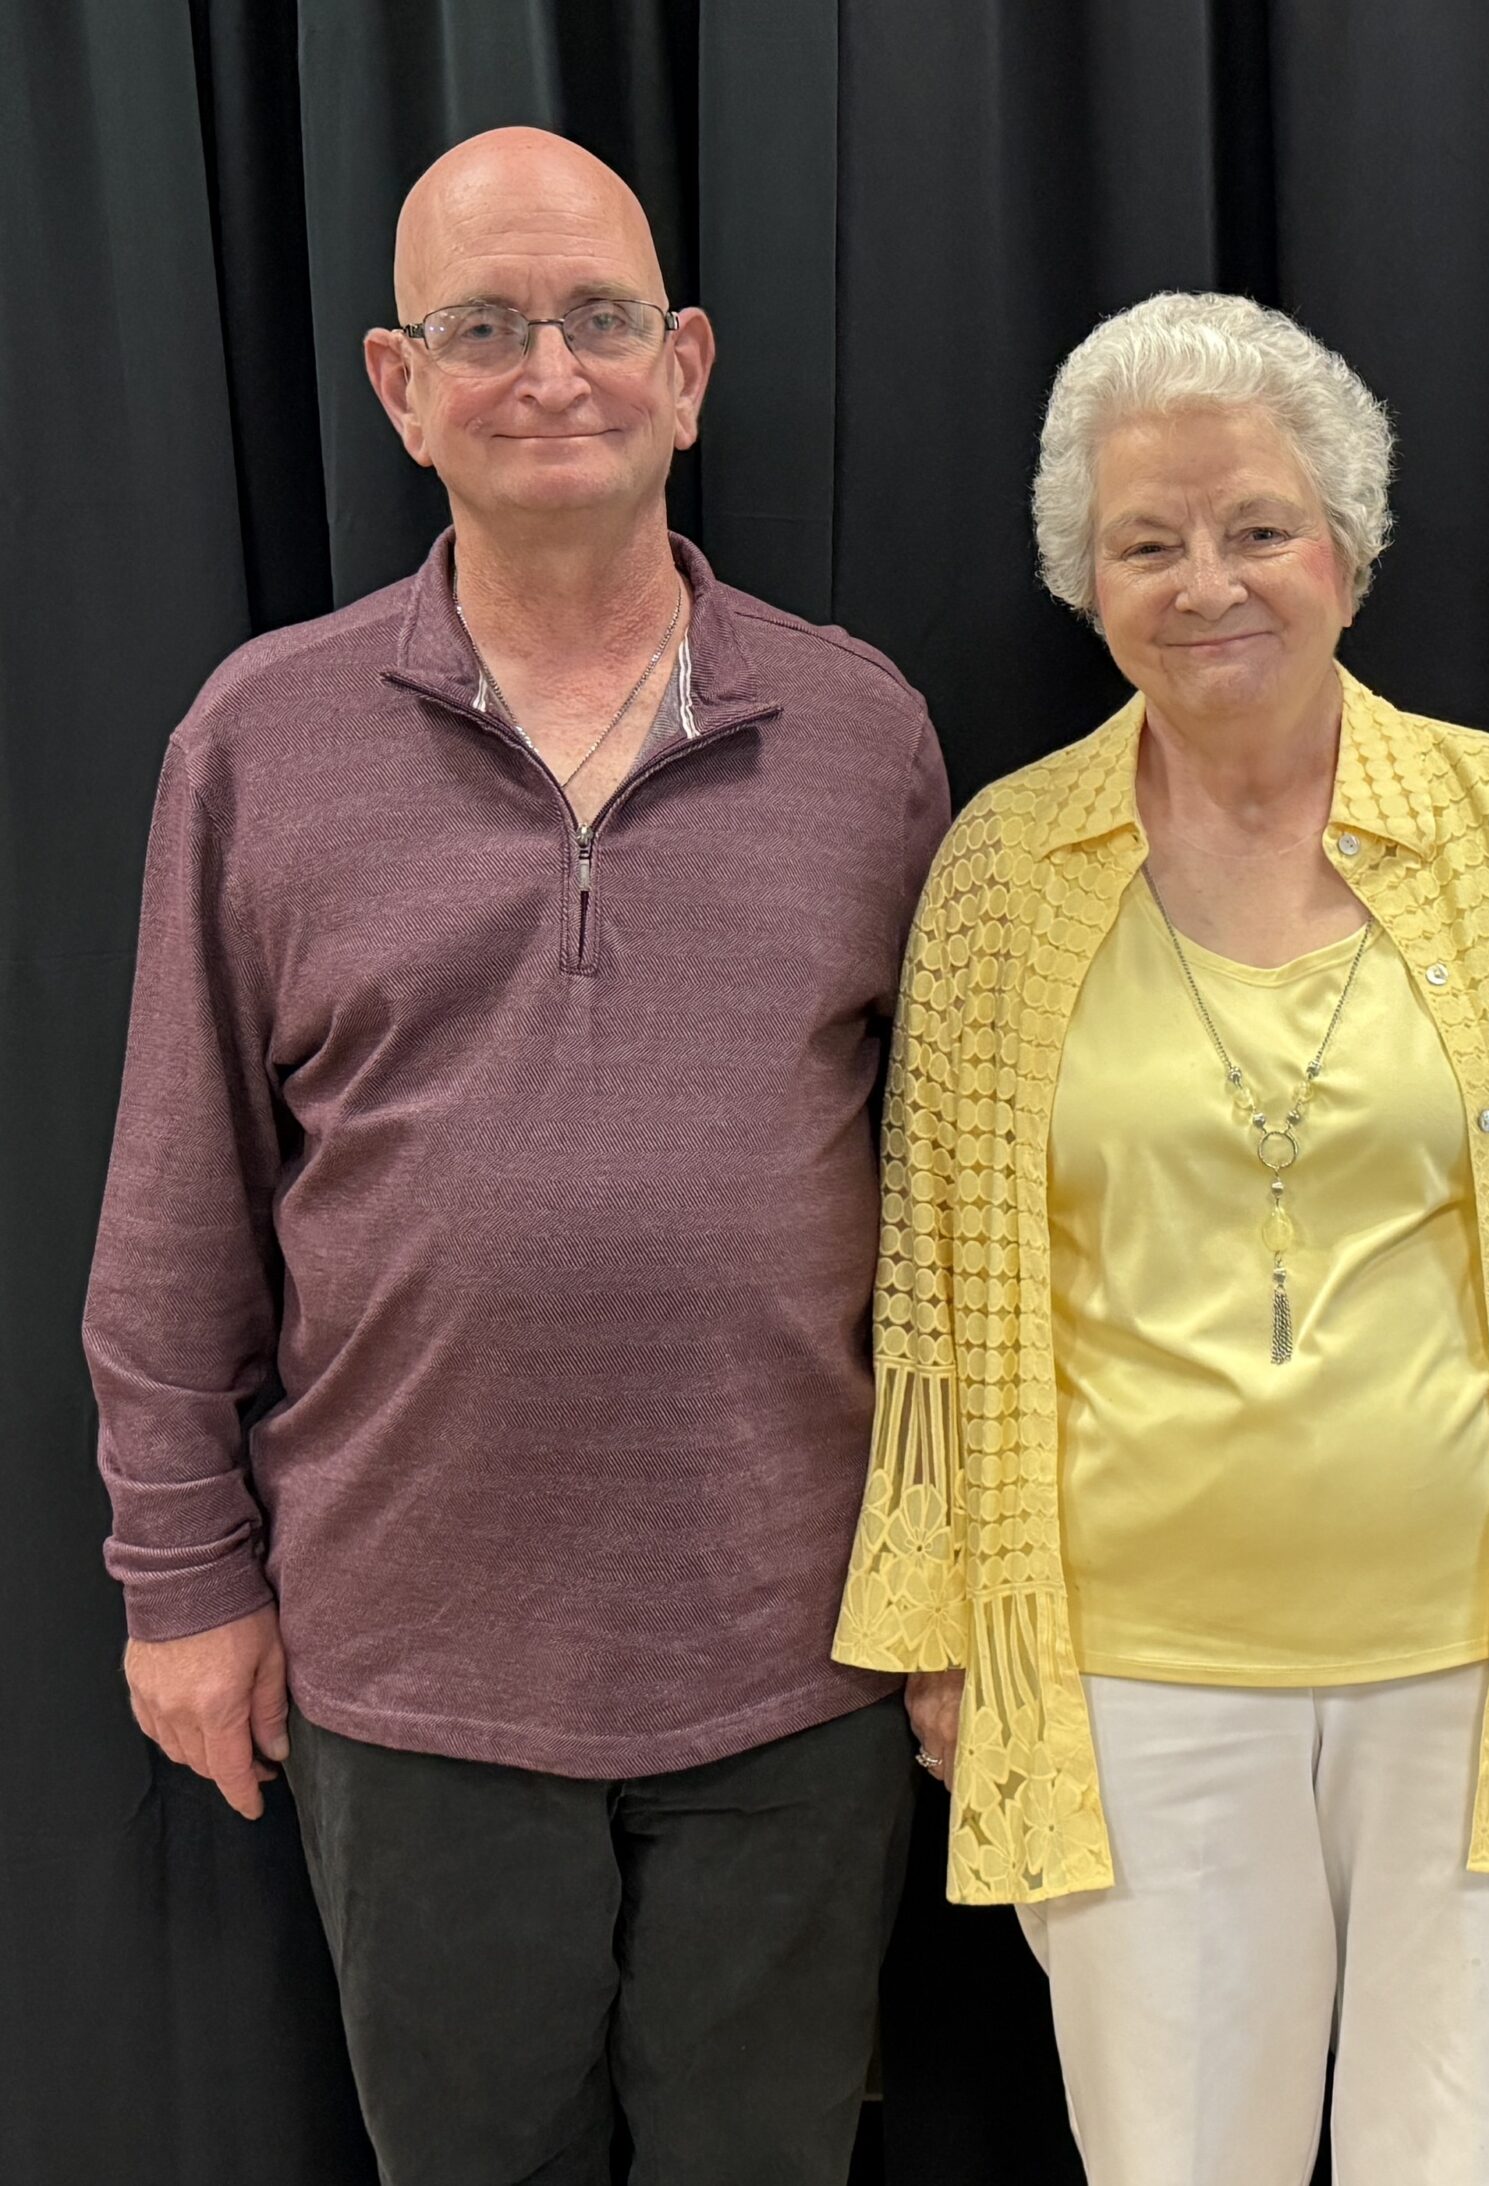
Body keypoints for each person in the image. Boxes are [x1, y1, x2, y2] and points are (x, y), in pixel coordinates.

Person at [83, 128, 948, 2183]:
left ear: (689, 367)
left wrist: (963, 1585)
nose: (547, 368)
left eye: (595, 320)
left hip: (799, 1664)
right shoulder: (256, 739)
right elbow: (174, 1203)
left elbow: (965, 1216)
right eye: (485, 328)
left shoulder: (861, 737)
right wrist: (176, 1580)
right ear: (396, 385)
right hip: (409, 1672)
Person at [833, 290, 1489, 2186]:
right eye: (1145, 541)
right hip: (1129, 1671)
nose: (1207, 580)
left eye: (1256, 526)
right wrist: (938, 1628)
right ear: (1085, 582)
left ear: (1348, 548)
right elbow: (928, 1278)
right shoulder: (1003, 866)